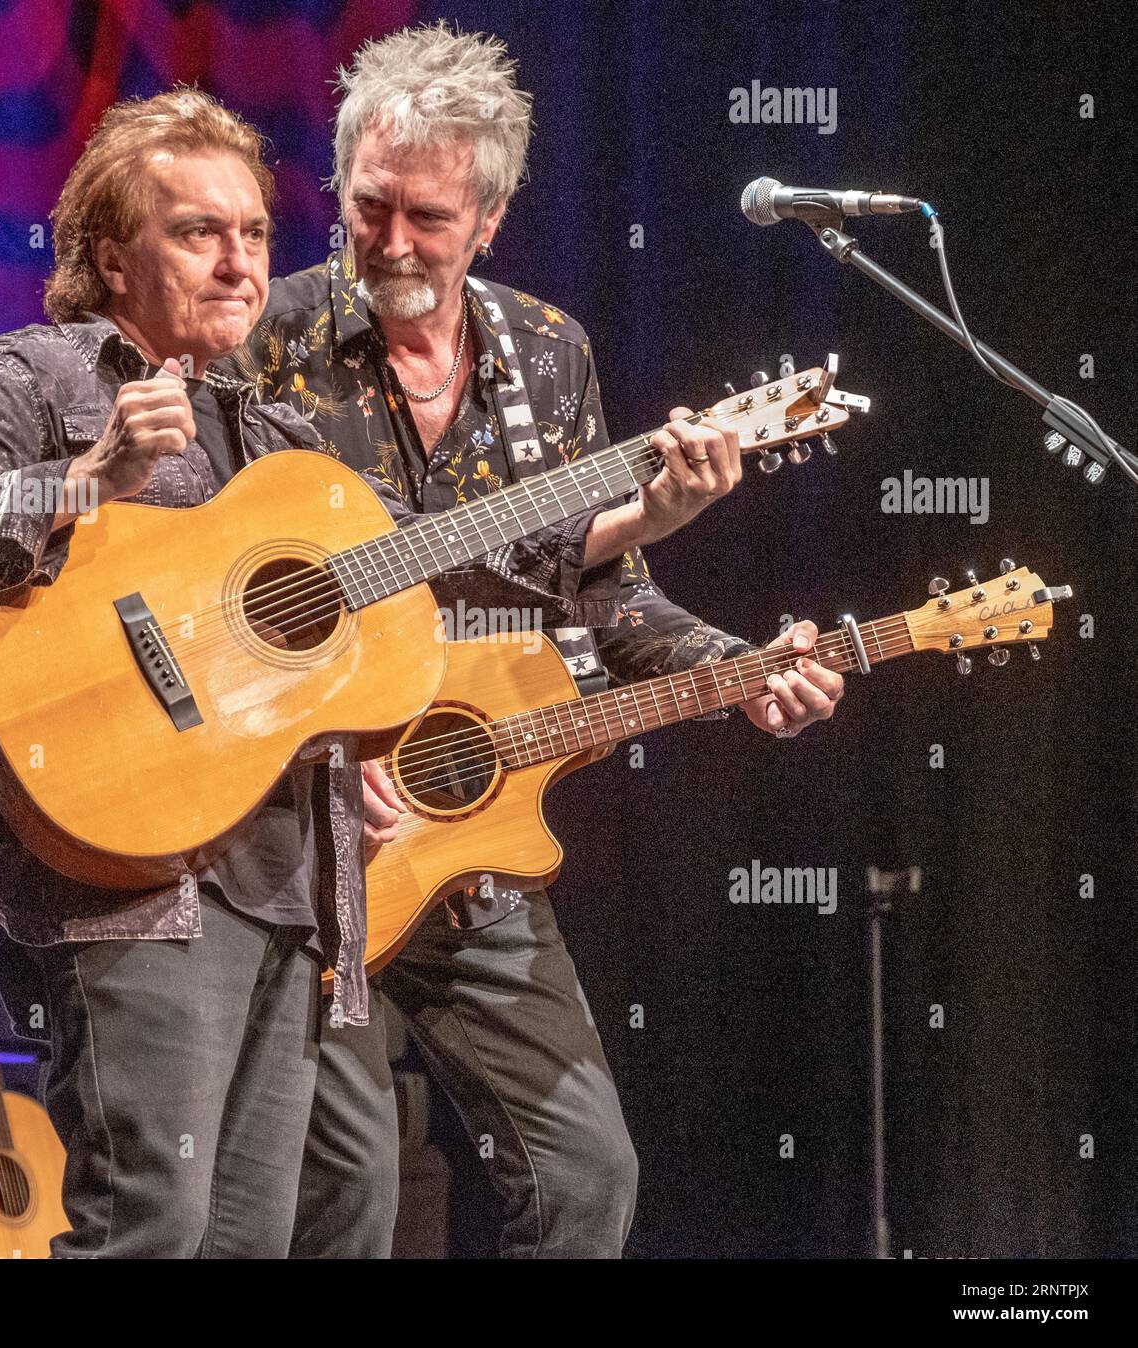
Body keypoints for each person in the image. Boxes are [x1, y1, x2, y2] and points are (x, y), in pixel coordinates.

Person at [0, 86, 610, 1258]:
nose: (237, 261)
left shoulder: (282, 446)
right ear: (111, 254)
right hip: (130, 877)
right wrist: (79, 484)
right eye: (197, 232)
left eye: (253, 233)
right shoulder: (37, 379)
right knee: (151, 1227)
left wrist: (641, 503)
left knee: (254, 1242)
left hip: (288, 893)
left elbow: (377, 614)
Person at [240, 23, 846, 1258]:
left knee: (586, 1179)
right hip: (299, 845)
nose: (394, 243)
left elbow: (604, 594)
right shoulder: (264, 345)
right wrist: (306, 759)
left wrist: (740, 667)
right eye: (369, 209)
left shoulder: (549, 355)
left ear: (491, 218)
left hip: (472, 837)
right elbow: (215, 603)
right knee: (341, 1196)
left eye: (428, 217)